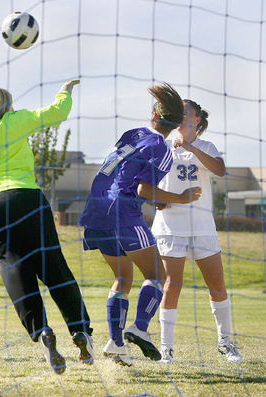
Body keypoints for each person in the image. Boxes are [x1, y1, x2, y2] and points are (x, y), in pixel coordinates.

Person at [0, 36, 94, 375]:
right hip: (25, 198)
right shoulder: (15, 121)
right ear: (7, 106)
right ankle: (79, 330)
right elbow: (57, 112)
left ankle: (41, 331)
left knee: (14, 267)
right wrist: (65, 90)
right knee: (52, 265)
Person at [78, 84, 202, 366]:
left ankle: (116, 344)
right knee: (158, 274)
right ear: (175, 123)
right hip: (122, 212)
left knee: (123, 278)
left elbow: (127, 175)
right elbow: (143, 189)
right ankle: (139, 329)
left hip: (96, 208)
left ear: (154, 115)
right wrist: (179, 198)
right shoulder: (163, 149)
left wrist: (153, 197)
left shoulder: (132, 134)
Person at [151, 100, 242, 363]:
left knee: (216, 285)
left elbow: (220, 170)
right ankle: (166, 348)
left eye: (186, 113)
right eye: (177, 113)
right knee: (172, 286)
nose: (180, 117)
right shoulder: (161, 146)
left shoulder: (206, 147)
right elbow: (147, 184)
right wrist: (159, 198)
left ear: (197, 119)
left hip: (202, 229)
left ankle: (225, 343)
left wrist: (189, 147)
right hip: (169, 227)